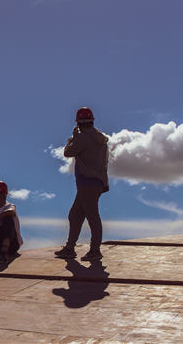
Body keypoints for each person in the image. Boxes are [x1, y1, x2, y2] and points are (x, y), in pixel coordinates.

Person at [55, 107, 109, 261]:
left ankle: (94, 250)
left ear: (79, 123)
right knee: (75, 215)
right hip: (95, 183)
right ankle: (70, 248)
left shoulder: (84, 137)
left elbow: (68, 152)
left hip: (87, 182)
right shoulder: (99, 138)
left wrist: (72, 139)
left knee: (92, 216)